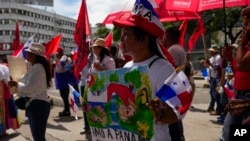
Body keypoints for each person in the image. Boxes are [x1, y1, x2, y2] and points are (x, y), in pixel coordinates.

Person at [112, 1, 179, 140]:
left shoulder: (163, 69)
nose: (121, 39)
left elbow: (176, 113)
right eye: (121, 34)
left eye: (126, 34)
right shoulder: (126, 67)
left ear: (143, 40)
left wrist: (159, 113)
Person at [8, 43, 52, 141]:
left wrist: (16, 84)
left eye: (29, 53)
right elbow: (25, 82)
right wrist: (16, 82)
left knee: (38, 137)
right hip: (36, 104)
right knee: (37, 136)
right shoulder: (35, 67)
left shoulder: (38, 68)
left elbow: (29, 88)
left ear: (35, 56)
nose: (27, 55)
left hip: (38, 105)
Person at [221, 7, 250, 141]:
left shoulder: (244, 44)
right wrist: (229, 59)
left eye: (248, 20)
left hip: (248, 101)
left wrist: (242, 44)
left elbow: (241, 65)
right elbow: (236, 73)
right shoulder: (246, 43)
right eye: (245, 20)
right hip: (238, 99)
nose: (245, 25)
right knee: (229, 136)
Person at [162, 26, 187, 141]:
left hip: (173, 87)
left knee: (172, 120)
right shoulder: (179, 48)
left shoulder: (173, 50)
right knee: (176, 117)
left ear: (167, 36)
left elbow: (173, 69)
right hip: (177, 86)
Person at [54, 47, 79, 117]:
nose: (56, 54)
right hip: (63, 81)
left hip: (63, 81)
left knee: (64, 95)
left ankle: (67, 110)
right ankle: (66, 109)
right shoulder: (64, 59)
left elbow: (64, 68)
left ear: (60, 53)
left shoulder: (64, 59)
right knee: (64, 95)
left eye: (57, 53)